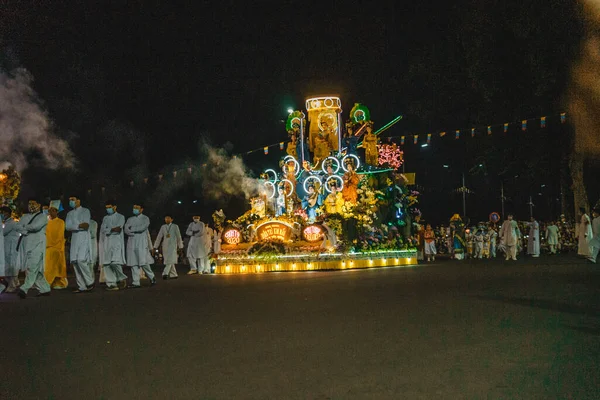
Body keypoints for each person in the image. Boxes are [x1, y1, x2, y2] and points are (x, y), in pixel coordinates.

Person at [17, 199, 51, 299]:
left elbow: (35, 227)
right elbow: (17, 227)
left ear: (39, 205)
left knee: (32, 267)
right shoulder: (24, 216)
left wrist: (24, 227)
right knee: (36, 269)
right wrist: (26, 228)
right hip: (27, 245)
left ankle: (24, 288)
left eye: (33, 203)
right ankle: (45, 288)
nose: (31, 205)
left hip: (37, 246)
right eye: (29, 203)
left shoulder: (43, 217)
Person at [65, 195, 95, 293]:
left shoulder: (85, 211)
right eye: (69, 200)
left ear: (78, 200)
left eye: (73, 200)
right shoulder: (69, 213)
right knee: (74, 262)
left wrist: (74, 226)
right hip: (74, 238)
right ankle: (81, 286)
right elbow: (67, 227)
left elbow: (86, 225)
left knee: (81, 260)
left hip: (83, 237)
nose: (71, 201)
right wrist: (78, 225)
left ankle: (90, 281)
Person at [124, 203, 156, 287]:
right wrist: (133, 230)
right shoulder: (130, 219)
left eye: (137, 208)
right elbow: (126, 230)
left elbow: (142, 228)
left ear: (141, 209)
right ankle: (136, 282)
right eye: (134, 207)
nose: (135, 209)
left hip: (141, 243)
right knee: (133, 262)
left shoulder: (145, 218)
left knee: (143, 262)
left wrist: (132, 229)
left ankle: (152, 277)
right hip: (131, 242)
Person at [100, 201, 128, 291]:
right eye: (106, 207)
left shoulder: (121, 217)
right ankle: (112, 284)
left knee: (115, 262)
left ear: (115, 207)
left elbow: (118, 229)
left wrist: (109, 229)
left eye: (109, 207)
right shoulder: (105, 218)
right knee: (107, 263)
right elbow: (103, 230)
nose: (108, 209)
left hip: (116, 242)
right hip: (107, 242)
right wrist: (112, 229)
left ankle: (121, 277)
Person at [44, 206, 68, 289]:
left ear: (57, 212)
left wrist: (57, 245)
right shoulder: (45, 222)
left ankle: (59, 283)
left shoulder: (61, 222)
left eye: (53, 211)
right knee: (48, 267)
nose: (51, 212)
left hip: (57, 247)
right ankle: (47, 283)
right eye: (50, 211)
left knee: (58, 267)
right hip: (47, 247)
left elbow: (60, 235)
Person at [154, 214, 183, 279]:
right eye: (166, 218)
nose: (167, 219)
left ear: (172, 219)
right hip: (165, 246)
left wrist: (180, 246)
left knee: (170, 259)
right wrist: (155, 246)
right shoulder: (163, 227)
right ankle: (174, 274)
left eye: (168, 218)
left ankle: (165, 273)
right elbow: (159, 237)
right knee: (168, 260)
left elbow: (179, 237)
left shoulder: (175, 226)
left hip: (173, 246)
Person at [1, 206, 20, 292]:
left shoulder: (11, 223)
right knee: (10, 265)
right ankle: (15, 283)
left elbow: (3, 232)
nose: (2, 214)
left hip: (11, 248)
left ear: (8, 213)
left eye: (3, 213)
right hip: (8, 247)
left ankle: (12, 285)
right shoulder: (7, 222)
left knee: (11, 266)